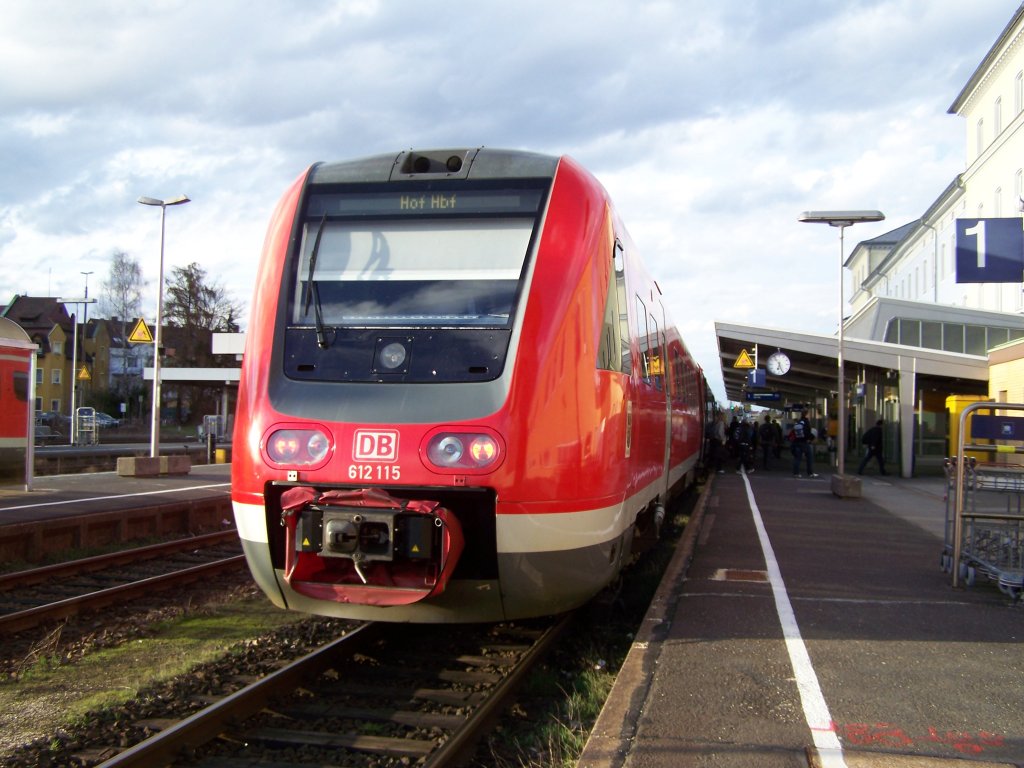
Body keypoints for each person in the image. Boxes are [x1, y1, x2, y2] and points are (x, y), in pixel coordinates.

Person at [790, 410, 818, 478]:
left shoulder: (799, 421)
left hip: (796, 442)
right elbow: (807, 432)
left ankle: (796, 473)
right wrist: (812, 438)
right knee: (809, 457)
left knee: (797, 458)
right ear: (806, 414)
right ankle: (810, 473)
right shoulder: (806, 422)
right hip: (804, 442)